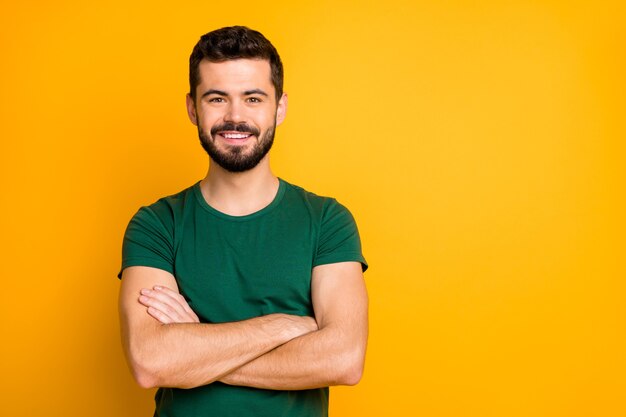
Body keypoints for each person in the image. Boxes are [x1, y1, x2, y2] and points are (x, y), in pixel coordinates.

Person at [118, 26, 368, 417]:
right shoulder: (157, 224)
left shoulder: (327, 221)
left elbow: (344, 359)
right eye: (217, 98)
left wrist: (195, 349)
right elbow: (151, 362)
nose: (235, 117)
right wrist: (286, 326)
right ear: (191, 107)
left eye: (253, 98)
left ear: (279, 107)